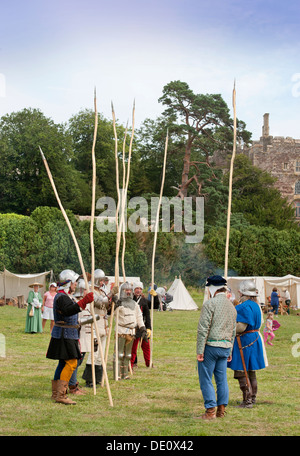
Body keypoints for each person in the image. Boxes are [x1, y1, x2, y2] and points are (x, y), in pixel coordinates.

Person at [46, 269, 94, 405]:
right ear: (69, 283)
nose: (75, 285)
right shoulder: (61, 297)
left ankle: (56, 393)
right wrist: (84, 302)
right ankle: (61, 395)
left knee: (63, 363)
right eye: (74, 283)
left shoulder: (65, 296)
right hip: (64, 334)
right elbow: (67, 311)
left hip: (68, 333)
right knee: (72, 362)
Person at [196, 275, 237, 420]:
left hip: (211, 346)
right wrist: (230, 349)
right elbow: (233, 330)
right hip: (225, 346)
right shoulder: (232, 306)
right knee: (222, 379)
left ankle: (210, 412)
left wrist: (200, 351)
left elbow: (203, 329)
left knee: (206, 378)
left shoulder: (209, 304)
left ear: (212, 288)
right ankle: (221, 410)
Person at [228, 280, 268, 409]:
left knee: (242, 370)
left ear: (241, 292)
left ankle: (248, 400)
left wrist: (228, 330)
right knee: (251, 371)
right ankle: (252, 398)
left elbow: (241, 327)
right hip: (254, 338)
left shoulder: (244, 306)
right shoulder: (256, 305)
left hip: (245, 340)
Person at [82, 269, 118, 387]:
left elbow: (106, 306)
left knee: (101, 354)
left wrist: (113, 302)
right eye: (101, 280)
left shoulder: (102, 292)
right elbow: (98, 303)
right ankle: (89, 379)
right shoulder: (91, 291)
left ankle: (97, 378)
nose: (103, 282)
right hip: (95, 324)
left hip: (103, 324)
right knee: (95, 352)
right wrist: (111, 293)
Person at [114, 282, 148, 380]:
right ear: (122, 291)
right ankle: (117, 374)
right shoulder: (119, 303)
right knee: (119, 354)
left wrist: (143, 328)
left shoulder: (134, 304)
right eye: (126, 290)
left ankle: (125, 374)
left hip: (131, 332)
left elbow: (139, 317)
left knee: (128, 355)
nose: (128, 292)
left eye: (130, 290)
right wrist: (116, 305)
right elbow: (113, 314)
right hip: (121, 331)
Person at [131, 282, 152, 369]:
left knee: (146, 346)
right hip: (133, 326)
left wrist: (148, 328)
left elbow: (147, 314)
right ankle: (131, 364)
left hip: (142, 326)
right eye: (137, 288)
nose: (138, 290)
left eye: (140, 289)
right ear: (134, 290)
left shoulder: (144, 301)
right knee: (133, 347)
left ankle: (148, 363)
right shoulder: (130, 299)